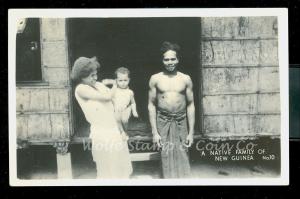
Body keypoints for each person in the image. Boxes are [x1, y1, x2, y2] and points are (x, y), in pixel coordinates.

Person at [71, 56, 132, 179]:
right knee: (106, 167)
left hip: (114, 129)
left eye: (96, 74)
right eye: (91, 75)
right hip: (101, 132)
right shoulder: (81, 89)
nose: (95, 78)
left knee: (120, 166)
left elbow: (113, 108)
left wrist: (121, 131)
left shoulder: (98, 84)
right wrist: (115, 83)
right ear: (81, 76)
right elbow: (108, 97)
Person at [148, 41, 195, 178]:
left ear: (178, 59)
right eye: (166, 59)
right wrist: (154, 132)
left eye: (173, 59)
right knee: (165, 154)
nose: (170, 62)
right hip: (163, 120)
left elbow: (190, 104)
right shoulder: (155, 79)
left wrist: (191, 132)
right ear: (162, 60)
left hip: (181, 121)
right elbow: (151, 105)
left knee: (183, 152)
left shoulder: (185, 79)